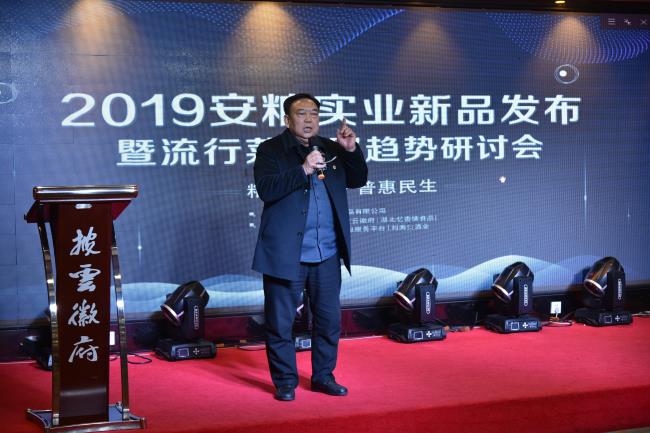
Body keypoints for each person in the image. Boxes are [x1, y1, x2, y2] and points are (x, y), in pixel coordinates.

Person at [252, 93, 368, 401]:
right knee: (280, 323)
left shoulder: (331, 149)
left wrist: (351, 150)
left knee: (328, 321)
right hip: (285, 254)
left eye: (314, 113)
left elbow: (358, 179)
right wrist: (302, 169)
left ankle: (323, 377)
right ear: (287, 119)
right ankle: (285, 382)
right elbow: (266, 189)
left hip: (326, 252)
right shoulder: (270, 150)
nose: (308, 119)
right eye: (301, 113)